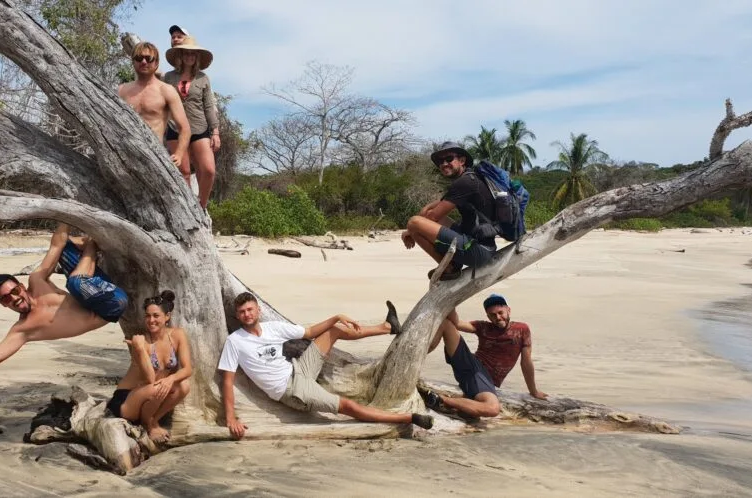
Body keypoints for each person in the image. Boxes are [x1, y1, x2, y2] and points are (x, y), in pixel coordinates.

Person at [0, 223, 129, 402]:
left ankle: (94, 243)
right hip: (111, 306)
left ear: (22, 286)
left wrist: (64, 217)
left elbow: (56, 246)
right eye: (5, 298)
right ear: (3, 305)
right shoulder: (23, 330)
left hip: (100, 288)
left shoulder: (38, 281)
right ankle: (92, 245)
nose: (13, 298)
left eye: (14, 291)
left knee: (65, 246)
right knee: (76, 281)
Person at [218, 293, 434, 439]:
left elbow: (310, 333)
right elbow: (227, 382)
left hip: (299, 368)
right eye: (242, 312)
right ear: (237, 316)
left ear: (258, 310)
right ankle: (409, 418)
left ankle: (387, 327)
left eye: (250, 310)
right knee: (347, 407)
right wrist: (230, 418)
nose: (247, 315)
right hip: (293, 390)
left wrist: (336, 317)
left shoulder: (273, 328)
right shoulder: (235, 341)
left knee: (336, 329)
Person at [425, 294, 547, 418]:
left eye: (501, 313)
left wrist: (533, 391)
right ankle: (440, 398)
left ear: (508, 310)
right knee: (492, 408)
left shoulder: (522, 329)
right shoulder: (483, 327)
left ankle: (452, 401)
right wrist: (454, 297)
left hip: (482, 378)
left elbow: (526, 362)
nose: (498, 318)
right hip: (475, 367)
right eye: (493, 315)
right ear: (488, 316)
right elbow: (456, 322)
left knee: (469, 413)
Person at [402, 141, 497, 281]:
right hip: (477, 244)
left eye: (449, 159)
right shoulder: (468, 179)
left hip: (479, 250)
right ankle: (454, 263)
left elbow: (432, 217)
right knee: (420, 222)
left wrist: (408, 232)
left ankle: (448, 267)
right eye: (440, 161)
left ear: (462, 160)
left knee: (414, 222)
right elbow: (430, 213)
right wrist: (417, 224)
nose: (444, 163)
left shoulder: (465, 183)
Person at [106, 290, 193, 443]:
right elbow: (150, 378)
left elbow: (187, 369)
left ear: (167, 317)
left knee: (184, 386)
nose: (151, 320)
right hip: (127, 401)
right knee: (157, 387)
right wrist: (139, 349)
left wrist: (170, 379)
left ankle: (153, 420)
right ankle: (149, 425)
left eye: (156, 315)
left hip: (152, 396)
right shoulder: (142, 342)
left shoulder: (177, 335)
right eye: (147, 315)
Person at [163, 36, 220, 209]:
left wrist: (215, 132)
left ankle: (201, 206)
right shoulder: (168, 77)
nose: (189, 56)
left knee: (209, 170)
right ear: (180, 55)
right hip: (176, 129)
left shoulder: (203, 78)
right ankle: (189, 208)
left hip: (199, 128)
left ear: (197, 57)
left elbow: (209, 105)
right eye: (186, 53)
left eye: (193, 54)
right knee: (184, 172)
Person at [117, 41, 191, 169]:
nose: (144, 62)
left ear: (156, 63)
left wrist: (178, 154)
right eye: (139, 58)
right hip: (124, 155)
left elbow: (185, 128)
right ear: (133, 62)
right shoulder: (122, 90)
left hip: (154, 156)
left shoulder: (166, 90)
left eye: (149, 58)